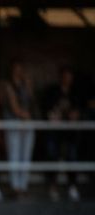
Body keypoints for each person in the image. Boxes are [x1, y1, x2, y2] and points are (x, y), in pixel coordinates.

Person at [40, 65, 81, 202]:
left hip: (70, 133)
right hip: (55, 133)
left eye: (69, 76)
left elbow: (79, 111)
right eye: (65, 76)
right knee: (52, 156)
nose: (67, 79)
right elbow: (48, 112)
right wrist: (56, 113)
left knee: (72, 157)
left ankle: (72, 186)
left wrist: (75, 115)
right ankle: (52, 186)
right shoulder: (52, 92)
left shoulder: (75, 93)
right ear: (60, 77)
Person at [0, 59, 34, 197]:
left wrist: (28, 83)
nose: (19, 71)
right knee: (14, 155)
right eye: (16, 68)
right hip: (13, 122)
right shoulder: (6, 85)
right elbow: (14, 107)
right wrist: (23, 114)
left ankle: (23, 185)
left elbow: (30, 100)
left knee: (25, 156)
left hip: (27, 124)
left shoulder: (25, 84)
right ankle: (15, 186)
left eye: (21, 68)